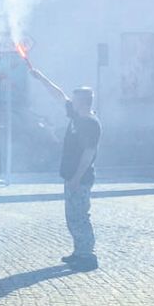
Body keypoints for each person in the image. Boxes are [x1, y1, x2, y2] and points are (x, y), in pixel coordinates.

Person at [30, 66, 101, 271]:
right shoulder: (77, 116)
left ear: (83, 102)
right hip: (71, 176)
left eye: (75, 99)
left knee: (80, 216)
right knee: (72, 217)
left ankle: (88, 256)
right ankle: (79, 251)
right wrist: (41, 78)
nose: (71, 101)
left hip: (81, 178)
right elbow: (59, 95)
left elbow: (88, 153)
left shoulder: (90, 123)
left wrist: (77, 177)